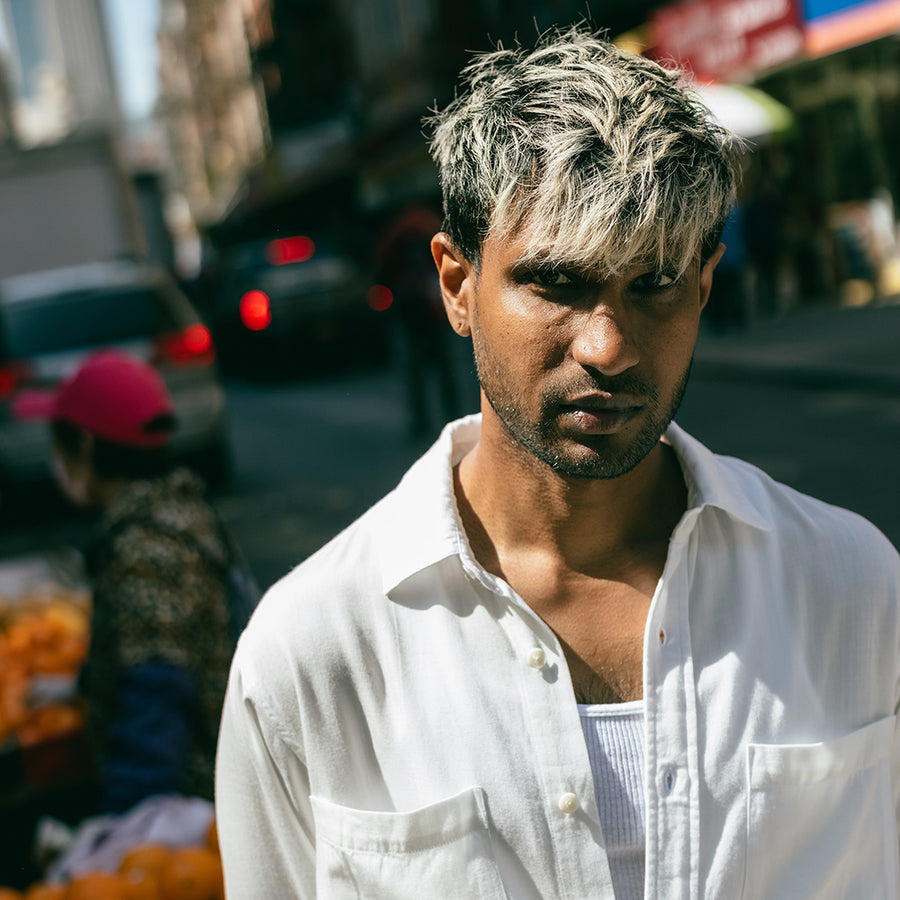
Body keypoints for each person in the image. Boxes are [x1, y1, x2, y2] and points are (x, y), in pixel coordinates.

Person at [215, 27, 900, 899]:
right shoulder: (311, 655)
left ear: (703, 286)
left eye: (651, 283)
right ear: (458, 287)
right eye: (557, 284)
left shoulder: (853, 589)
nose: (607, 345)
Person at [16, 349, 239, 814]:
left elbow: (156, 694)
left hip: (196, 806)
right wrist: (83, 683)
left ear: (86, 447)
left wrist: (126, 825)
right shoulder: (178, 512)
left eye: (59, 444)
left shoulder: (144, 548)